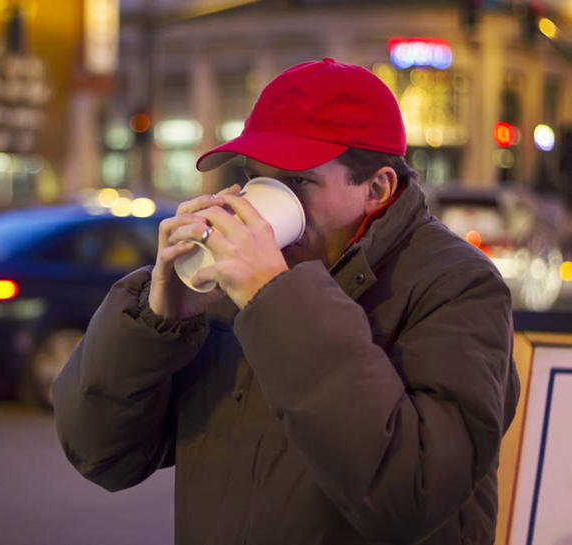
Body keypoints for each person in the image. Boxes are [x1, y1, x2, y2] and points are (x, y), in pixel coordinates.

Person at [52, 58, 519, 544]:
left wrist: (275, 299)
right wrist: (155, 319)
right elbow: (101, 455)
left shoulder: (458, 284)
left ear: (377, 188)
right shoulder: (233, 279)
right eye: (257, 176)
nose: (263, 199)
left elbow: (411, 494)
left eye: (296, 181)